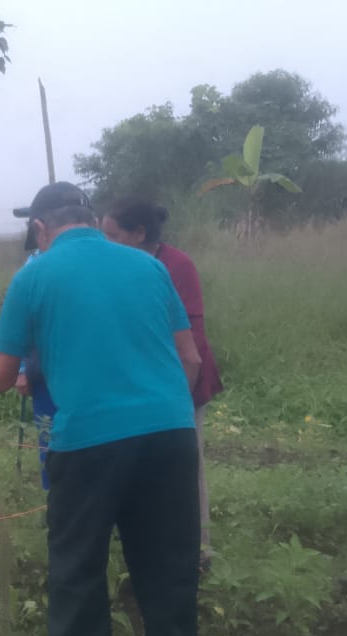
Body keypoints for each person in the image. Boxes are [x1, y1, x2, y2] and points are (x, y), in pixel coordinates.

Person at [0, 183, 216, 636]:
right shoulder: (149, 267)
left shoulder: (34, 276)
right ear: (92, 221)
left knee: (77, 567)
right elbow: (190, 359)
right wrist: (160, 409)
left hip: (89, 443)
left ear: (40, 228)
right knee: (169, 564)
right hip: (170, 436)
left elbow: (2, 377)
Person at [103, 198, 224, 564]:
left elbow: (192, 338)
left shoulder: (177, 266)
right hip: (139, 385)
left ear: (139, 233)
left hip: (180, 384)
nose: (106, 243)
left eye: (113, 235)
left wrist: (177, 396)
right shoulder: (117, 266)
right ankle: (147, 544)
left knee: (187, 466)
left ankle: (198, 549)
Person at [11, 183, 91, 489]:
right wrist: (22, 369)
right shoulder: (32, 268)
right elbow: (25, 326)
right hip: (46, 368)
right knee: (52, 440)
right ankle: (56, 494)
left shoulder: (94, 262)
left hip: (86, 367)